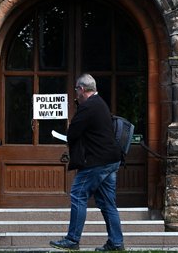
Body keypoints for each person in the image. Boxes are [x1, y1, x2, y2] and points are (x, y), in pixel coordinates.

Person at [50, 74, 125, 252]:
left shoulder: (88, 106)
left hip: (97, 161)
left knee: (78, 195)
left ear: (82, 89)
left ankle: (72, 239)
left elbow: (72, 132)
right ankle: (116, 242)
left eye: (76, 90)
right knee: (108, 203)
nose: (75, 94)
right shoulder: (100, 103)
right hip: (111, 159)